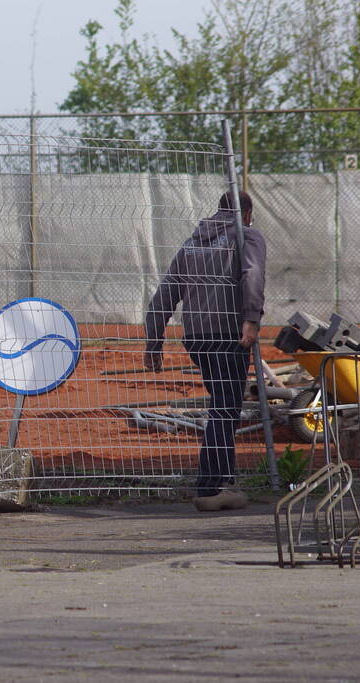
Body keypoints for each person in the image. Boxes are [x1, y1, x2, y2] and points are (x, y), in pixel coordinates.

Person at [144, 190, 266, 512]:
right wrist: (251, 319)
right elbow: (252, 275)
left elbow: (162, 299)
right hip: (230, 335)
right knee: (226, 408)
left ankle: (214, 482)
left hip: (197, 338)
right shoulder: (248, 236)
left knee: (221, 405)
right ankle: (216, 485)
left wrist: (153, 344)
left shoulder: (191, 244)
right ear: (246, 214)